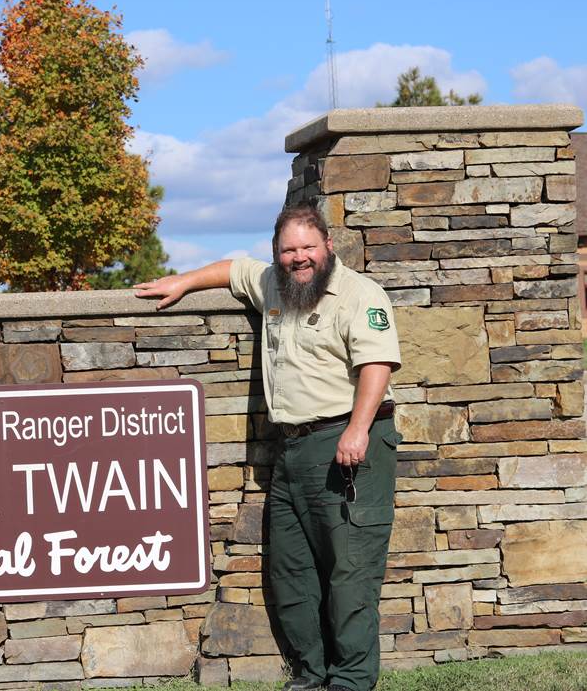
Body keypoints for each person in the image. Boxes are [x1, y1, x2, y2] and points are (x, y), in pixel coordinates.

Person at [135, 204, 402, 691]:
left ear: (327, 246)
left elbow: (377, 364)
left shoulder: (360, 294)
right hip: (294, 450)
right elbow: (233, 270)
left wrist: (358, 429)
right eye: (289, 250)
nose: (299, 258)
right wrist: (183, 282)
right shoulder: (274, 285)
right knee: (290, 571)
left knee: (350, 574)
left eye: (307, 248)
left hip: (349, 445)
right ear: (277, 254)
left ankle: (351, 681)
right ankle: (310, 676)